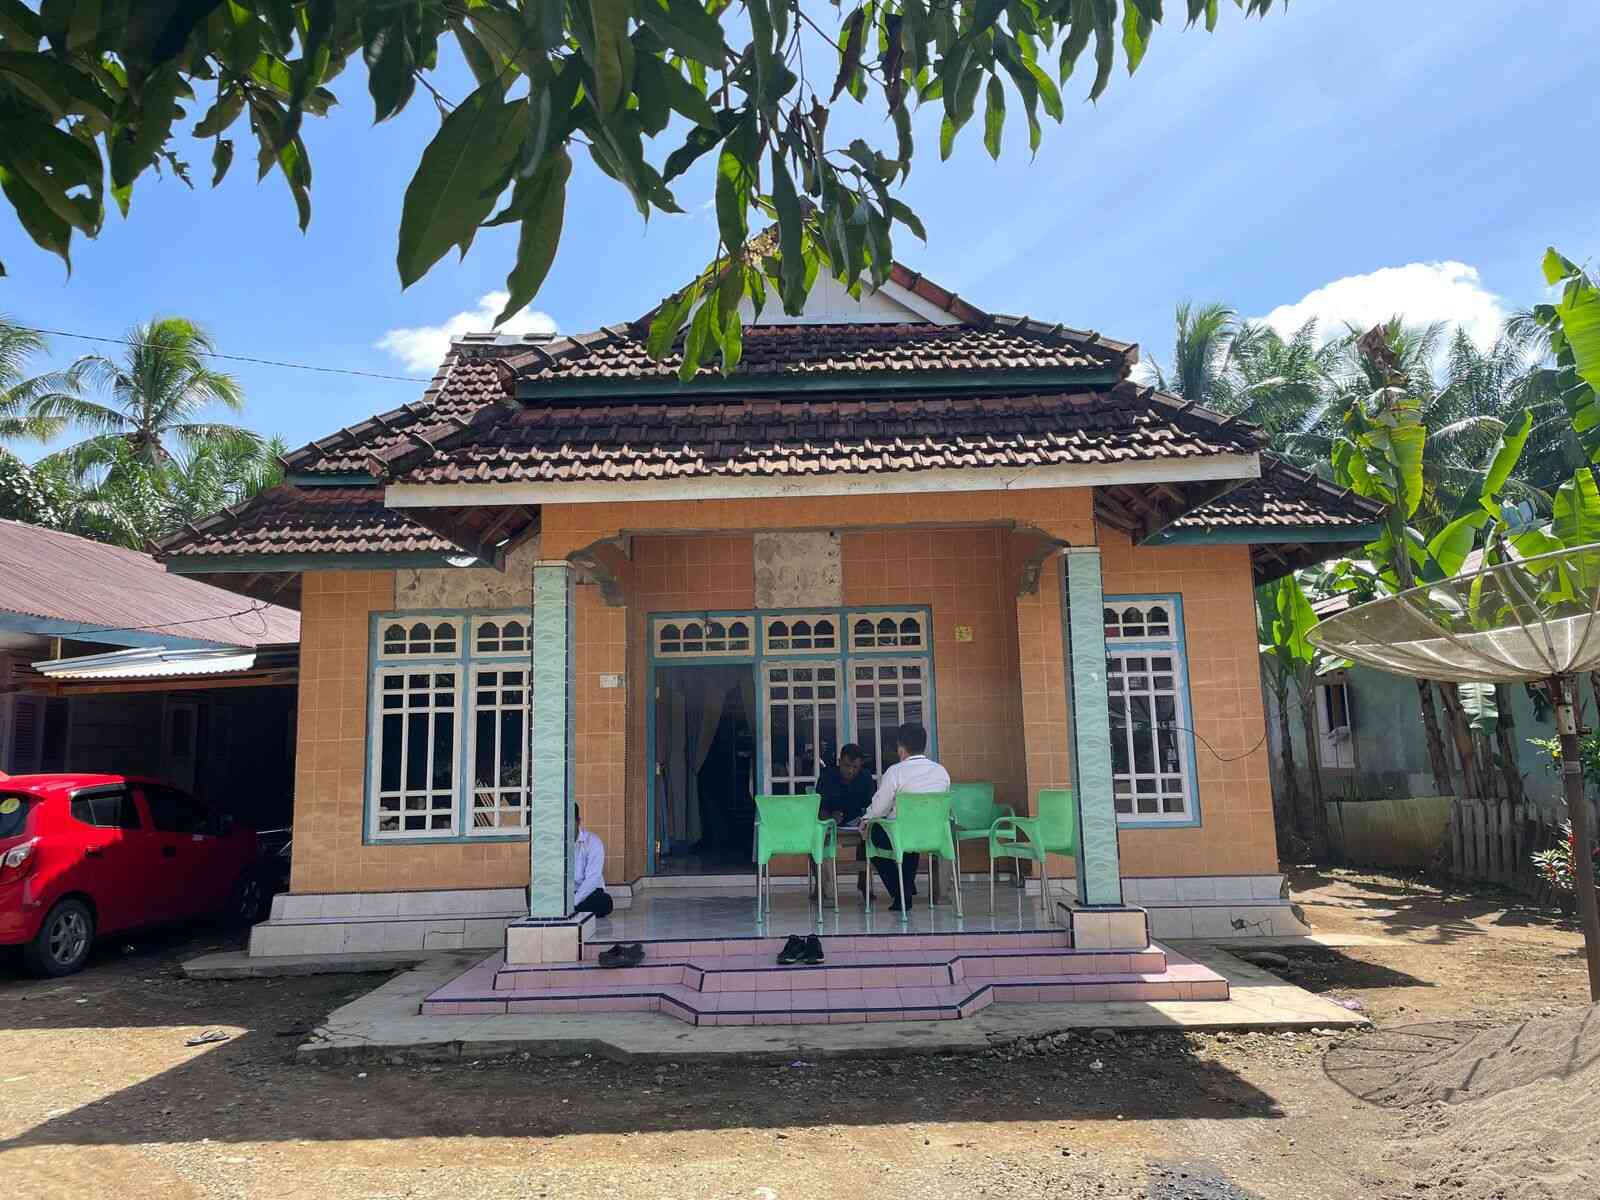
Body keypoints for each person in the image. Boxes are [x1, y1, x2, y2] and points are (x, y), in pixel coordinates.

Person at [860, 722, 950, 911]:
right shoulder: (941, 771)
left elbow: (879, 808)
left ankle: (901, 893)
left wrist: (866, 819)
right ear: (923, 746)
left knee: (873, 837)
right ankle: (905, 892)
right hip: (933, 836)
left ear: (900, 748)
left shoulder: (896, 772)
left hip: (901, 835)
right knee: (910, 847)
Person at [816, 744, 874, 826]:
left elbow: (873, 806)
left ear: (861, 765)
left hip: (860, 828)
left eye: (855, 767)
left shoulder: (865, 777)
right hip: (831, 828)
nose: (850, 771)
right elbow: (818, 810)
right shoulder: (827, 777)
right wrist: (830, 818)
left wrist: (866, 818)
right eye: (847, 765)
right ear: (839, 762)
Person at [572, 804, 614, 918]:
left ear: (578, 821)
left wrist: (573, 902)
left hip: (589, 893)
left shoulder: (593, 842)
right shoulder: (555, 844)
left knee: (605, 902)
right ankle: (570, 909)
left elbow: (592, 879)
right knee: (532, 891)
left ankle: (567, 909)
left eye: (570, 822)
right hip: (565, 894)